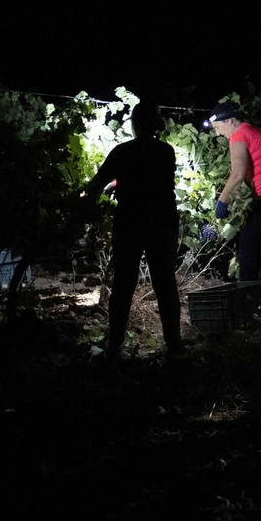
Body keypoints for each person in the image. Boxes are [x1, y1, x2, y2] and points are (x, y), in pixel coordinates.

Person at [80, 101, 183, 361]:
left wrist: (81, 203)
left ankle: (114, 347)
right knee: (165, 284)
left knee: (124, 283)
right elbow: (152, 180)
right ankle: (174, 346)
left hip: (130, 221)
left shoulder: (122, 152)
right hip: (162, 221)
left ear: (134, 123)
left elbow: (96, 185)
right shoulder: (166, 151)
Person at [208, 101, 261, 305]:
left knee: (248, 254)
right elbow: (251, 170)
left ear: (229, 121)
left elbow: (237, 173)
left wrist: (222, 202)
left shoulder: (238, 135)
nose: (219, 134)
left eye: (219, 128)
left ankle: (246, 306)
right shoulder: (255, 131)